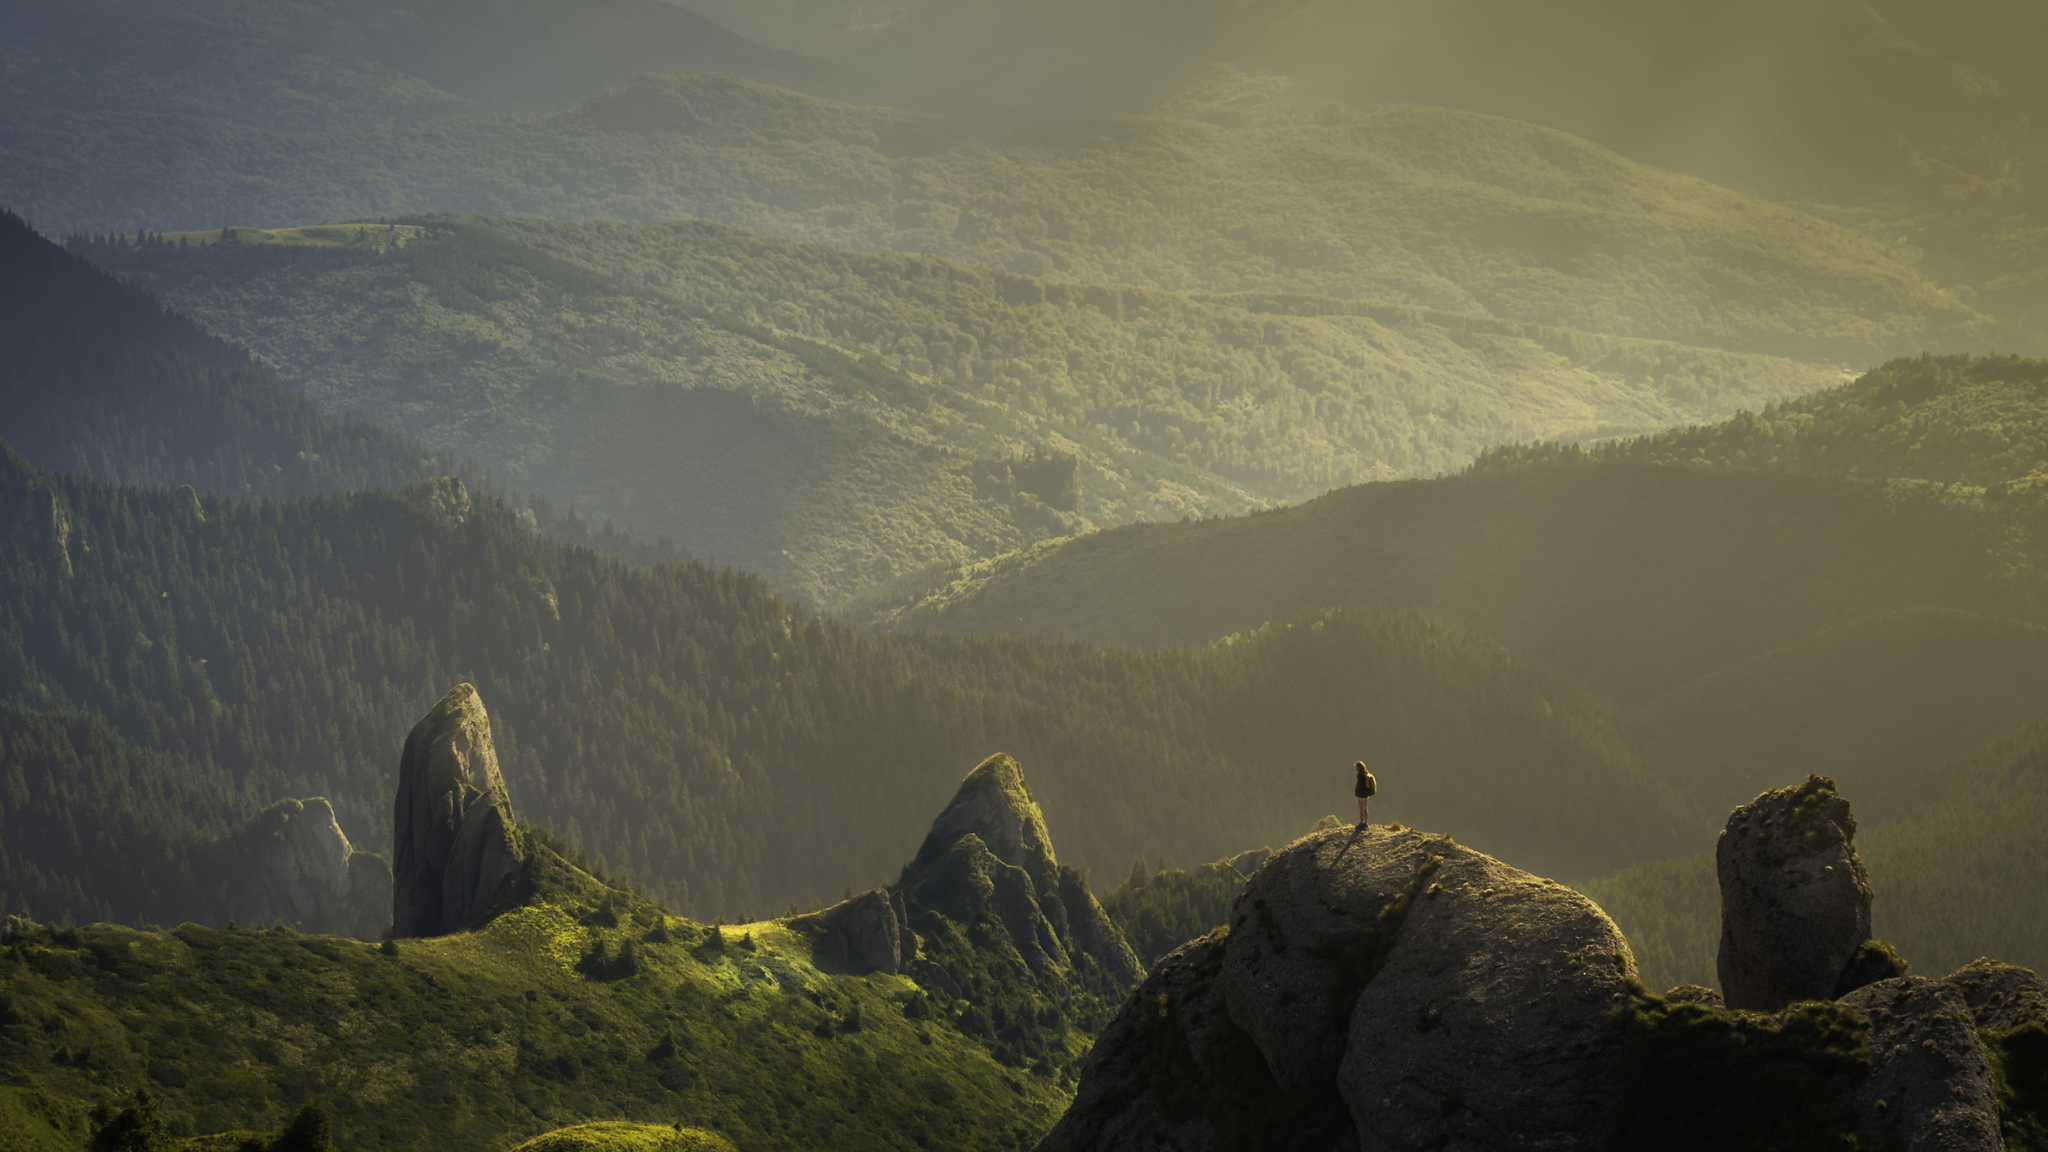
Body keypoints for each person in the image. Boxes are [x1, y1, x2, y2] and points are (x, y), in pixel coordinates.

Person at [1354, 760, 1377, 829]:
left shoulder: (1361, 775)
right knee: (1366, 808)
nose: (1356, 769)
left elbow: (1360, 786)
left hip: (1361, 795)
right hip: (1366, 794)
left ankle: (1361, 823)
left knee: (1361, 809)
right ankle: (1366, 823)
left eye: (1356, 767)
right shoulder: (1366, 773)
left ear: (1359, 767)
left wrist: (1357, 794)